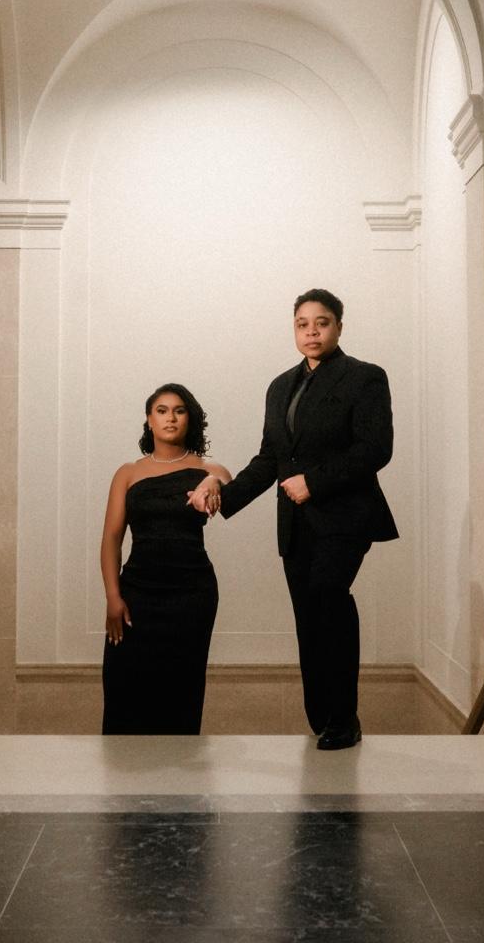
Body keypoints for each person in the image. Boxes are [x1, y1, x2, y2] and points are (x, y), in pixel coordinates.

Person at [189, 289, 397, 749]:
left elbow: (375, 449)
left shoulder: (365, 377)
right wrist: (223, 494)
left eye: (322, 323)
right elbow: (270, 459)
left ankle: (343, 718)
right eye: (303, 324)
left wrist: (313, 483)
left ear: (339, 326)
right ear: (294, 329)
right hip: (296, 525)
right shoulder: (280, 386)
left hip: (345, 517)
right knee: (308, 615)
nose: (312, 332)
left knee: (328, 598)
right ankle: (321, 717)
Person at [99, 383, 232, 734]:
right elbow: (111, 539)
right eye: (161, 410)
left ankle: (180, 770)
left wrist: (212, 482)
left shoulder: (208, 469)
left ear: (190, 418)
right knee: (124, 688)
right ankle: (125, 770)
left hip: (192, 595)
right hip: (136, 594)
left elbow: (227, 479)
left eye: (179, 410)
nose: (170, 418)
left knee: (181, 690)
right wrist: (113, 597)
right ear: (149, 419)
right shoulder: (128, 473)